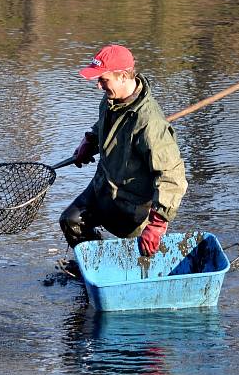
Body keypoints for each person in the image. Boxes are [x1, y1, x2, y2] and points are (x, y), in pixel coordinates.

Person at [59, 44, 187, 259]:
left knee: (142, 257)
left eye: (103, 79)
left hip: (133, 203)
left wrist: (157, 224)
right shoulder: (111, 99)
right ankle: (96, 264)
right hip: (104, 186)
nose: (98, 86)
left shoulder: (150, 124)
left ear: (123, 76)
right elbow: (104, 124)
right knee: (71, 221)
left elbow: (172, 177)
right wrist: (90, 140)